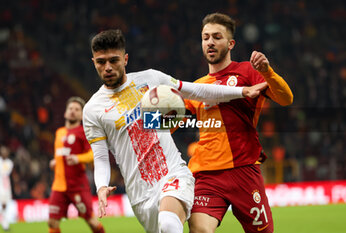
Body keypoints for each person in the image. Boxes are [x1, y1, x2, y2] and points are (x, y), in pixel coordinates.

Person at [82, 29, 268, 233]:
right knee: (166, 226)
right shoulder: (93, 110)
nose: (107, 67)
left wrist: (242, 91)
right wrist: (101, 186)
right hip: (141, 195)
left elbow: (198, 90)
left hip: (173, 173)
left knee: (169, 223)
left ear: (125, 59)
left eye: (113, 60)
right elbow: (100, 156)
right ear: (93, 62)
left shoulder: (150, 79)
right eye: (101, 62)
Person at [186, 13, 294, 233]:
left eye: (217, 37)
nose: (210, 42)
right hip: (207, 176)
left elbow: (286, 99)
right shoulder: (196, 87)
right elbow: (164, 125)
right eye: (205, 37)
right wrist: (154, 105)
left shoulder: (247, 71)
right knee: (200, 231)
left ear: (230, 43)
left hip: (244, 171)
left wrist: (267, 71)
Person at [48, 97, 105, 233]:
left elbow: (92, 155)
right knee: (52, 222)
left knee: (90, 220)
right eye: (70, 109)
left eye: (77, 109)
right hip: (59, 186)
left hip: (77, 186)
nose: (73, 111)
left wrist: (77, 158)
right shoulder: (59, 132)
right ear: (65, 113)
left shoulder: (84, 132)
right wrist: (55, 161)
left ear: (81, 114)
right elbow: (61, 154)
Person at [0, 145, 13, 232]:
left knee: (5, 205)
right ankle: (4, 223)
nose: (5, 153)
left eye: (6, 151)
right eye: (3, 151)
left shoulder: (9, 162)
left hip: (6, 187)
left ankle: (4, 222)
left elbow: (5, 171)